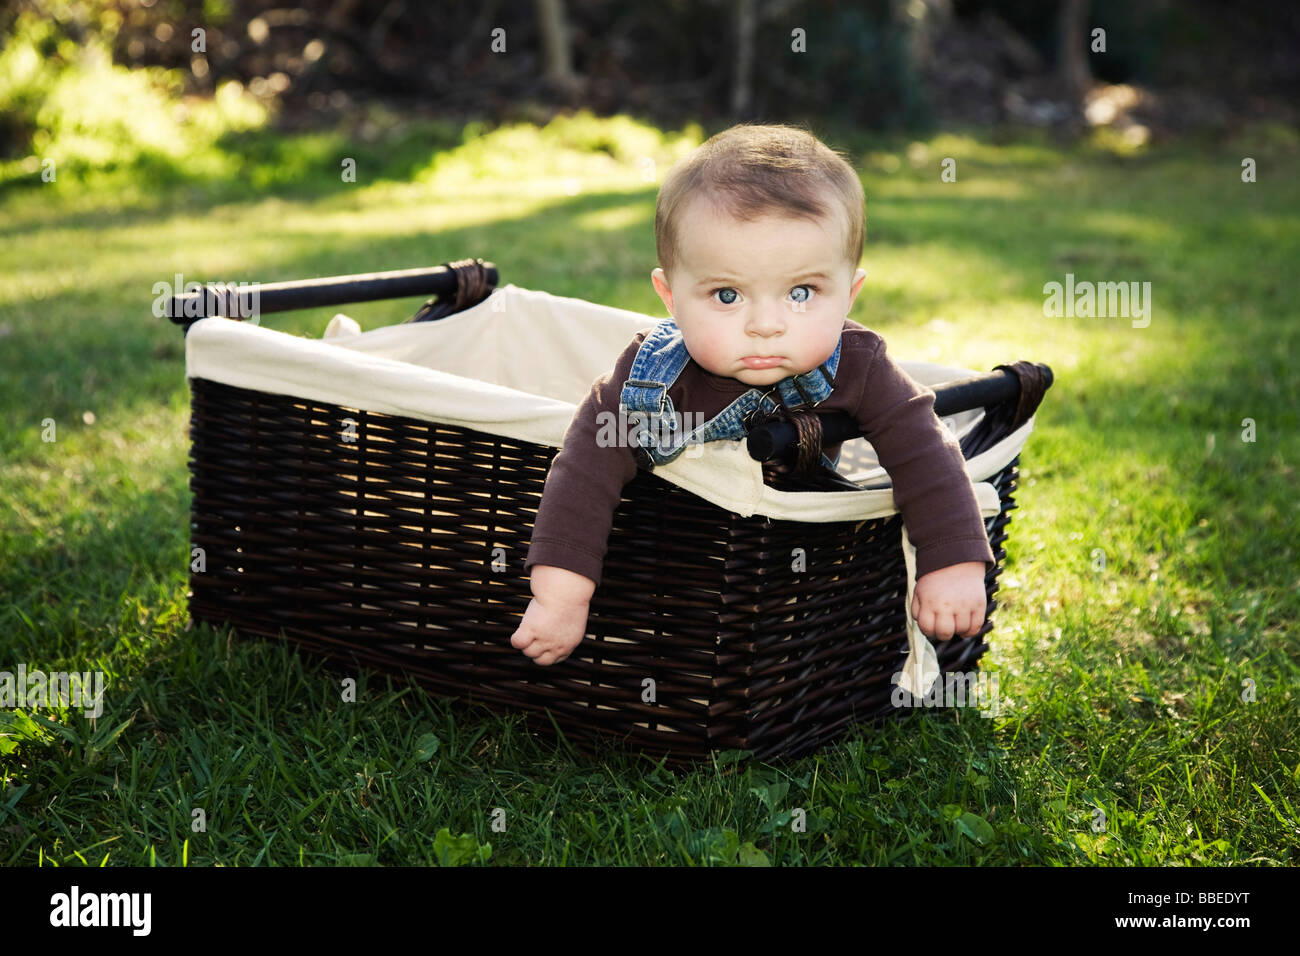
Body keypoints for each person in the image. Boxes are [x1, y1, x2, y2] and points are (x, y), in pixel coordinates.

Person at [512, 123, 993, 667]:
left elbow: (925, 451)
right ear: (670, 297)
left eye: (802, 293)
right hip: (676, 556)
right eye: (726, 294)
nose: (765, 325)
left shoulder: (859, 365)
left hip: (794, 557)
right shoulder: (648, 380)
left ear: (849, 293)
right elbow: (582, 473)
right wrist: (562, 593)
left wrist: (951, 561)